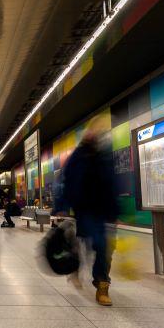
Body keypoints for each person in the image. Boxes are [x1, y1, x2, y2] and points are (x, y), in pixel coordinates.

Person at [54, 117, 119, 306]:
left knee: (104, 247)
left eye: (102, 131)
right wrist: (62, 206)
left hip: (104, 209)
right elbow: (66, 181)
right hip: (84, 209)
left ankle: (102, 285)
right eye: (95, 130)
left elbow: (113, 183)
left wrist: (117, 210)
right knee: (87, 245)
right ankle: (75, 268)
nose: (98, 133)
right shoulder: (79, 155)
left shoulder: (106, 155)